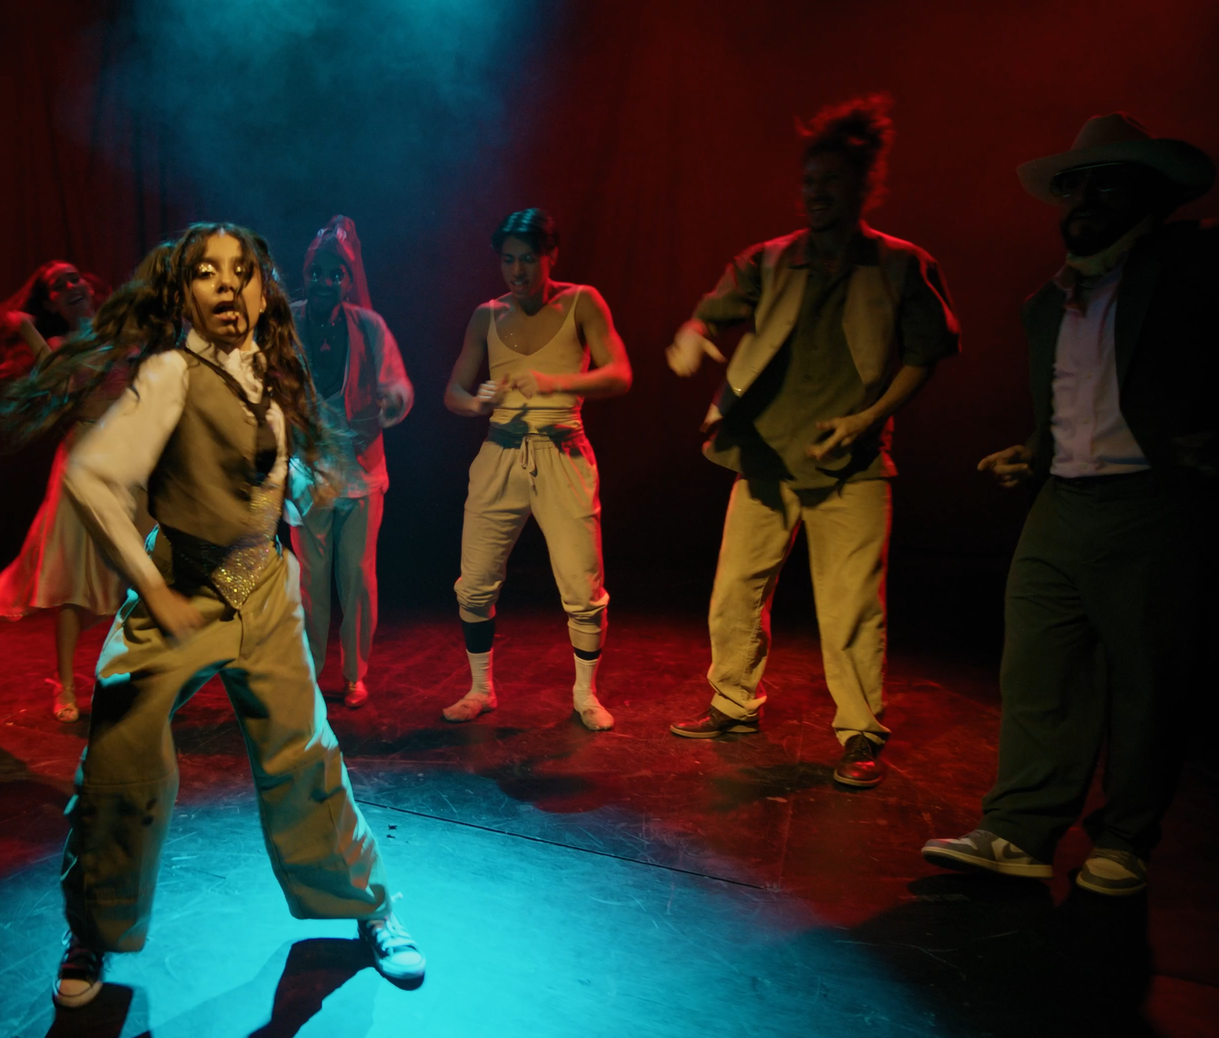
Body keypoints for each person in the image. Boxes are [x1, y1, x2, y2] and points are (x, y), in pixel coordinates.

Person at [0, 222, 424, 1009]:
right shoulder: (170, 374)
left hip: (265, 584)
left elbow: (286, 466)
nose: (227, 285)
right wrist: (152, 591)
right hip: (183, 584)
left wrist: (303, 483)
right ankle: (93, 928)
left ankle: (369, 905)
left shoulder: (274, 367)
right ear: (183, 291)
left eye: (242, 271)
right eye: (207, 273)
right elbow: (91, 478)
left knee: (306, 755)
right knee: (120, 759)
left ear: (262, 288)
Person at [923, 115, 1215, 895]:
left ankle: (1125, 840)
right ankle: (1020, 832)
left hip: (1152, 504)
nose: (1085, 198)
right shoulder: (1049, 302)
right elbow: (1077, 400)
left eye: (1107, 183)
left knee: (1146, 681)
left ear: (1152, 194)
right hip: (1061, 503)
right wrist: (1036, 449)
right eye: (1075, 184)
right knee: (1038, 672)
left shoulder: (1192, 267)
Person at [664, 95, 960, 788]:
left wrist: (867, 418)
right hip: (765, 456)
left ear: (864, 186)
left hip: (850, 461)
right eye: (808, 183)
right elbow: (707, 316)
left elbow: (924, 356)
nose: (816, 194)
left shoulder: (901, 265)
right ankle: (734, 702)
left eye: (830, 182)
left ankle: (860, 734)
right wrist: (692, 336)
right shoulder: (769, 260)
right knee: (736, 591)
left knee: (851, 607)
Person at [441, 208, 631, 729]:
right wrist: (477, 403)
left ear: (551, 256)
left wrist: (555, 383)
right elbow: (454, 391)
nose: (517, 271)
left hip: (563, 452)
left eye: (527, 259)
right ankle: (481, 689)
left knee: (582, 588)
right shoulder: (487, 315)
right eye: (508, 260)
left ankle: (585, 695)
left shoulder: (582, 302)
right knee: (474, 584)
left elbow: (620, 373)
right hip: (500, 453)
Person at [0, 261, 141, 722]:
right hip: (84, 463)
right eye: (58, 285)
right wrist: (24, 328)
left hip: (130, 461)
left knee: (140, 576)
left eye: (75, 278)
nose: (71, 285)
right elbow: (55, 376)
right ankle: (66, 685)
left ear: (89, 287)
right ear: (51, 303)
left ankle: (136, 676)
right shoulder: (57, 347)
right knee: (75, 581)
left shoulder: (121, 334)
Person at [286, 216, 412, 708]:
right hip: (307, 467)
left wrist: (392, 402)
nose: (325, 281)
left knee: (357, 576)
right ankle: (310, 671)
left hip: (360, 468)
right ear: (306, 275)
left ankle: (355, 673)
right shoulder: (288, 322)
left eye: (336, 274)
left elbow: (396, 381)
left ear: (348, 280)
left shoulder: (367, 325)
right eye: (317, 272)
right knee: (310, 580)